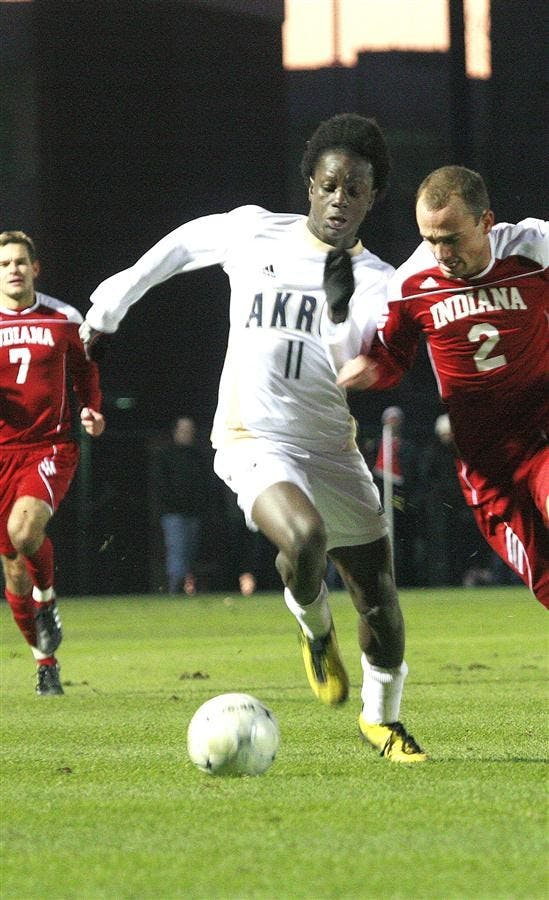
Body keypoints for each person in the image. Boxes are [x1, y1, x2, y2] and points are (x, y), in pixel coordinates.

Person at [80, 113, 426, 762]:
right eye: (329, 185)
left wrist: (353, 331)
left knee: (378, 597)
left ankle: (380, 722)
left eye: (354, 190)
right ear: (310, 184)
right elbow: (180, 246)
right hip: (251, 437)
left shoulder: (379, 281)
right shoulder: (253, 232)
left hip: (330, 446)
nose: (339, 200)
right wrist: (108, 308)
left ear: (373, 198)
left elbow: (379, 359)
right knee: (305, 537)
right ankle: (314, 629)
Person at [337, 166, 548, 606]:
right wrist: (371, 370)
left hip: (540, 436)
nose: (441, 253)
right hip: (485, 464)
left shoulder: (533, 249)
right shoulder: (411, 283)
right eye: (430, 239)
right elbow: (392, 359)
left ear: (486, 222)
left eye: (451, 238)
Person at [0, 231, 105, 695]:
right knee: (13, 569)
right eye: (5, 264)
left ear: (35, 268)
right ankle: (45, 663)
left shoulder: (63, 318)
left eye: (21, 262)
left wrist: (93, 409)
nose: (14, 270)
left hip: (48, 447)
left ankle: (47, 601)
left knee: (24, 532)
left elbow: (85, 370)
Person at [420, 414, 491, 586]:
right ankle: (440, 580)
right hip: (440, 508)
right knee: (441, 545)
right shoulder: (434, 452)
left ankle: (459, 577)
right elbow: (427, 478)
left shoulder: (460, 453)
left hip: (458, 506)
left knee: (459, 544)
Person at [150, 415, 211, 595]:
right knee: (177, 551)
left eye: (190, 430)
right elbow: (161, 486)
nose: (187, 434)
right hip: (173, 513)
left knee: (189, 552)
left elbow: (203, 485)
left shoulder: (197, 457)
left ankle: (185, 587)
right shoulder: (165, 456)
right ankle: (176, 588)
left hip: (193, 513)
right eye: (183, 430)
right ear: (175, 431)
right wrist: (171, 503)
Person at [369, 406, 422, 586]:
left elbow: (413, 475)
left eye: (396, 420)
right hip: (378, 495)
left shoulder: (408, 447)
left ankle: (403, 577)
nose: (393, 423)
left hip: (398, 496)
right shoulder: (375, 445)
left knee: (399, 534)